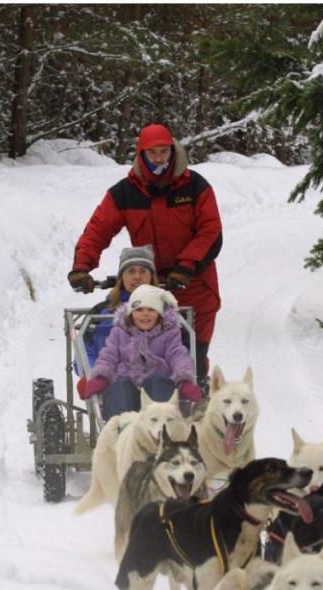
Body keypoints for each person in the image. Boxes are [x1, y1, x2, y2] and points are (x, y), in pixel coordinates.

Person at [67, 123, 222, 390]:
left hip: (194, 285)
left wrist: (186, 266)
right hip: (148, 286)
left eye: (164, 152)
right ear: (141, 154)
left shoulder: (195, 187)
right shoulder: (125, 192)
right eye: (153, 153)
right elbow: (99, 228)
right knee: (138, 349)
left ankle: (193, 408)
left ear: (173, 151)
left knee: (189, 357)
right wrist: (82, 266)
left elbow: (211, 231)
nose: (159, 159)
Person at [81, 284, 202, 420]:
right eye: (139, 309)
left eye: (151, 309)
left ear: (159, 313)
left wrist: (184, 380)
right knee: (120, 388)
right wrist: (101, 377)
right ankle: (123, 430)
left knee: (158, 382)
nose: (145, 314)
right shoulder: (119, 332)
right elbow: (108, 356)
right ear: (131, 313)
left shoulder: (169, 333)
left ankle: (162, 429)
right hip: (125, 385)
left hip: (158, 387)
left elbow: (178, 356)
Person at [77, 245, 160, 374]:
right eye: (131, 271)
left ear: (151, 277)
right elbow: (84, 354)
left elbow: (181, 352)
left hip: (156, 384)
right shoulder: (99, 313)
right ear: (122, 278)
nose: (137, 276)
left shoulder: (166, 312)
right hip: (109, 383)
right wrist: (97, 374)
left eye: (143, 271)